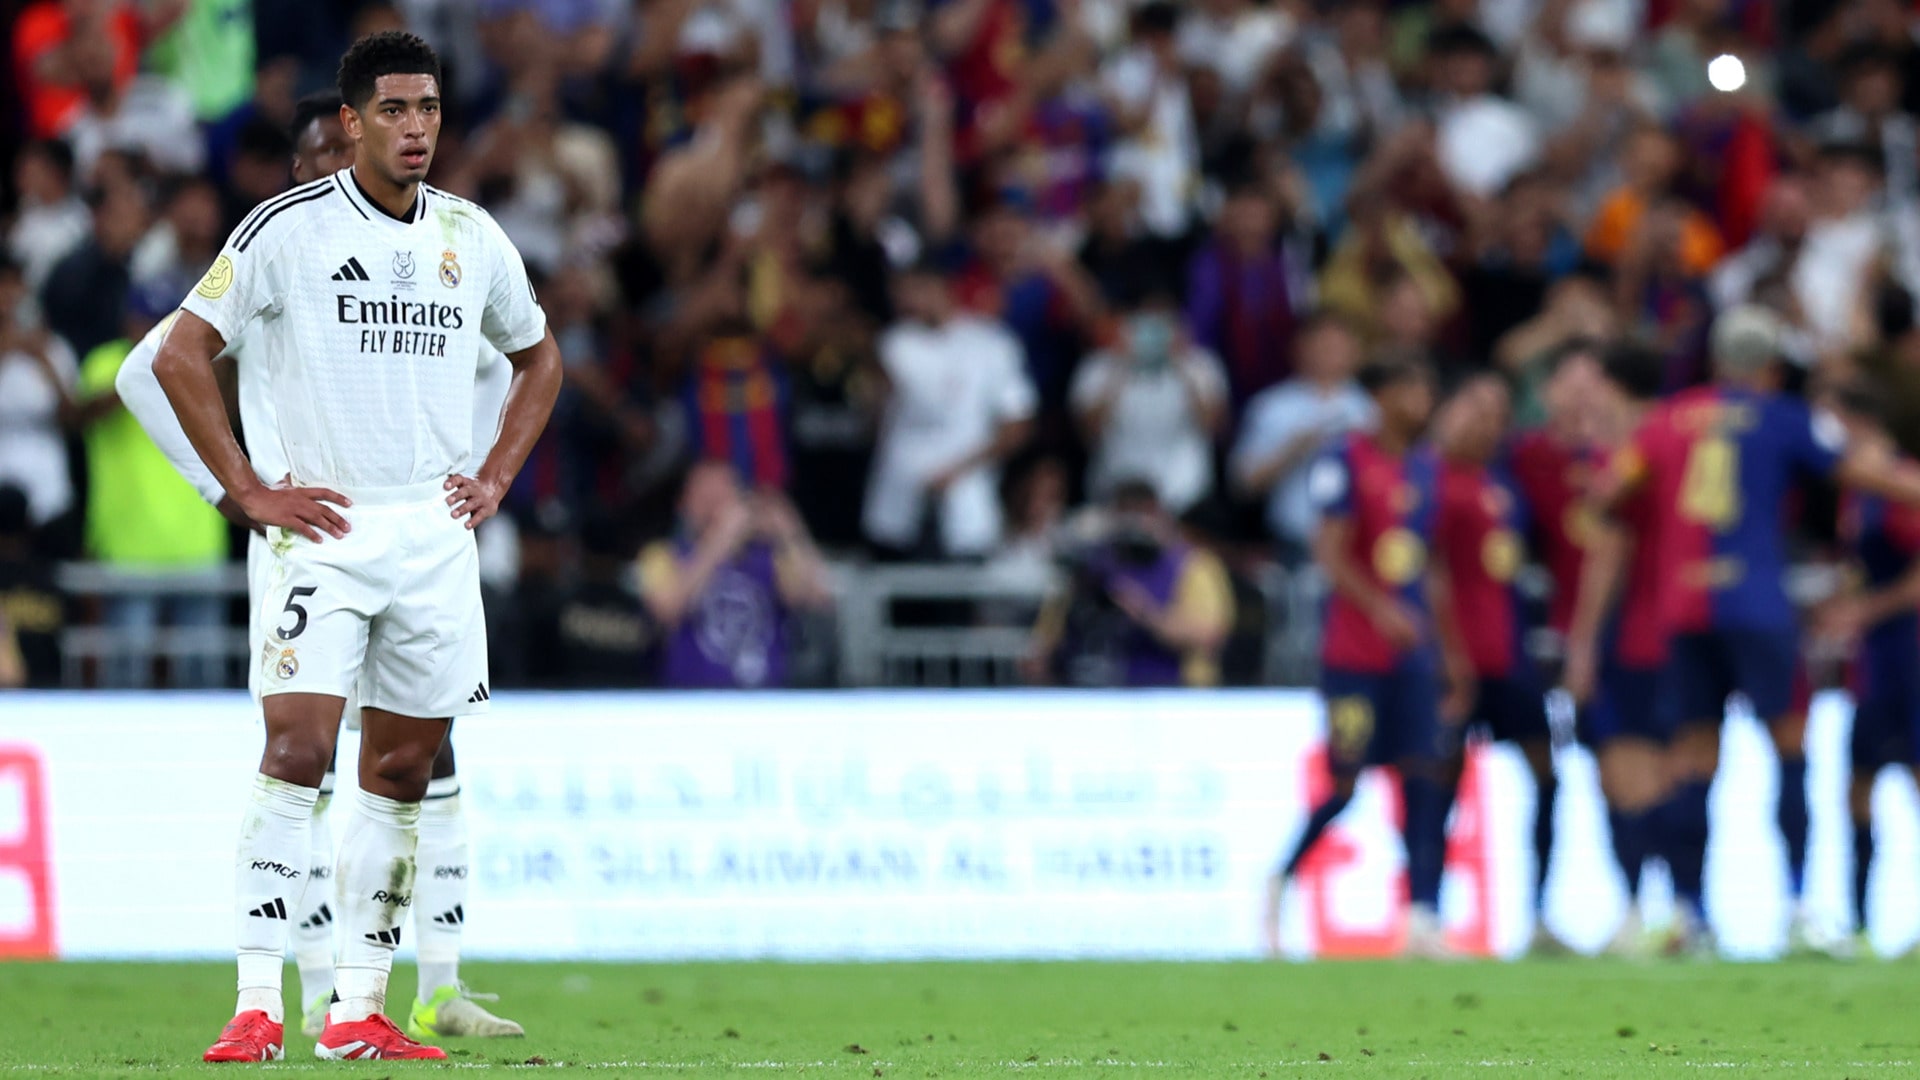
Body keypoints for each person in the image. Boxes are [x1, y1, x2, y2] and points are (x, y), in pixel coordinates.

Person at [146, 33, 560, 1062]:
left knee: (405, 769)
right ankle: (255, 1002)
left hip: (433, 535)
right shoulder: (286, 229)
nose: (416, 128)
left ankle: (359, 1010)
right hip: (324, 533)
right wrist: (245, 489)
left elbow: (539, 356)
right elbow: (178, 354)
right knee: (296, 752)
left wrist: (496, 475)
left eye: (429, 109)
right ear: (351, 121)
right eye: (394, 110)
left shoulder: (470, 234)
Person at [1580, 305, 1920, 957]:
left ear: (1716, 361)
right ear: (1770, 367)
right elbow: (1861, 471)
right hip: (1758, 604)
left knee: (1692, 758)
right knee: (1788, 748)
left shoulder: (1665, 421)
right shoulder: (1785, 416)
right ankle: (1796, 910)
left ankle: (1691, 914)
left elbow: (1604, 494)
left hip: (1683, 608)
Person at [1262, 355, 1473, 959]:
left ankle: (1423, 918)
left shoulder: (1428, 467)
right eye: (1411, 388)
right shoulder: (1345, 459)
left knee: (1426, 777)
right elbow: (1328, 550)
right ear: (1380, 396)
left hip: (1414, 659)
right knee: (1345, 782)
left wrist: (1450, 651)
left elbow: (1430, 566)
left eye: (1426, 389)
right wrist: (1381, 610)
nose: (1422, 401)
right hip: (1354, 657)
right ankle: (1281, 882)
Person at [1431, 373, 1566, 955]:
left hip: (1509, 660)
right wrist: (1448, 656)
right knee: (1438, 787)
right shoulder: (1427, 481)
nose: (1484, 423)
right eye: (1474, 408)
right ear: (1449, 410)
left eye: (1497, 413)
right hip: (1450, 665)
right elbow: (1430, 572)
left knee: (1548, 776)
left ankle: (1538, 918)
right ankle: (1427, 915)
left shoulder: (1503, 486)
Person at [1560, 341, 1672, 958]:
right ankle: (1675, 905)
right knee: (1662, 768)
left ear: (1610, 386)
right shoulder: (1675, 440)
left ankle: (1646, 910)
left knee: (1627, 771)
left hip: (1632, 631)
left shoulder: (1629, 457)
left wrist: (1581, 645)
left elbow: (1609, 553)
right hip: (1676, 626)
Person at [1812, 382, 1920, 960]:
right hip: (1877, 655)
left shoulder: (1902, 482)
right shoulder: (1859, 494)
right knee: (1858, 783)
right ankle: (1856, 925)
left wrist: (1865, 610)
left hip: (1910, 647)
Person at [863, 258, 1036, 560]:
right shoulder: (892, 345)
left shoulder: (991, 344)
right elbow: (875, 422)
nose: (909, 300)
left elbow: (1017, 425)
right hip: (896, 507)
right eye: (902, 291)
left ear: (944, 289)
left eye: (918, 289)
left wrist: (958, 470)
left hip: (966, 509)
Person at [639, 460, 831, 690]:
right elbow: (667, 610)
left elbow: (816, 597)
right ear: (683, 504)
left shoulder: (769, 556)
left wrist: (790, 532)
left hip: (764, 696)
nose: (713, 508)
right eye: (704, 497)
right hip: (691, 697)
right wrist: (720, 540)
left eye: (721, 496)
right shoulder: (662, 555)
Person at [1027, 479, 1234, 689]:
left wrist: (1144, 613)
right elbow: (1044, 643)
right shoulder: (1093, 567)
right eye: (1126, 519)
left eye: (1140, 517)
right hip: (1092, 686)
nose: (1134, 529)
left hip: (1175, 691)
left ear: (1158, 515)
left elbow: (1210, 636)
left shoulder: (1193, 565)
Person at [1231, 312, 1375, 565]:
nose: (1332, 354)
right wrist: (1294, 449)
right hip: (1292, 543)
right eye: (1324, 345)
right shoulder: (1272, 407)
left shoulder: (1370, 410)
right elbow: (1243, 482)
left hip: (1356, 546)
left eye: (1339, 346)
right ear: (1301, 349)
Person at [1069, 287, 1228, 515]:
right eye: (1146, 326)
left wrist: (1181, 364)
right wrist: (1122, 366)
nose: (1154, 335)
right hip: (1116, 497)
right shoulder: (1096, 367)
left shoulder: (1202, 366)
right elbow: (1089, 433)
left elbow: (1212, 428)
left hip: (1186, 498)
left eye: (1162, 326)